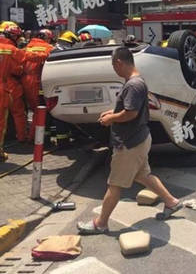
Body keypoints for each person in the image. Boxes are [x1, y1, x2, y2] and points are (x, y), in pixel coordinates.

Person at [77, 47, 182, 234]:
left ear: (119, 62)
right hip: (139, 139)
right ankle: (171, 202)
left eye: (113, 65)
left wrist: (111, 119)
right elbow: (131, 108)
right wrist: (112, 112)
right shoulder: (135, 82)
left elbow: (131, 113)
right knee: (143, 175)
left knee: (115, 184)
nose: (113, 69)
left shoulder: (133, 85)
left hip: (129, 143)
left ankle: (101, 223)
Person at [22, 29, 54, 140]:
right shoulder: (49, 48)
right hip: (37, 81)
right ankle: (33, 137)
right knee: (39, 110)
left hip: (24, 79)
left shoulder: (28, 46)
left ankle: (23, 136)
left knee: (26, 109)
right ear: (47, 38)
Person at [0, 25, 25, 161]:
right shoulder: (12, 50)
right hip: (4, 87)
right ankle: (21, 137)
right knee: (2, 121)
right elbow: (19, 69)